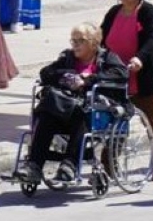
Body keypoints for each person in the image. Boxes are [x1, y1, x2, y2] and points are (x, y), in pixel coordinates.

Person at [14, 23, 128, 184]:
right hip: (63, 109)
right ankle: (34, 166)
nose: (75, 45)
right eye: (73, 40)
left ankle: (69, 165)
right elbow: (46, 73)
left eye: (80, 40)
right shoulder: (68, 57)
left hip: (91, 112)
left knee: (81, 113)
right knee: (47, 115)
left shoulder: (106, 58)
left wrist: (87, 80)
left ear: (94, 42)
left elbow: (121, 74)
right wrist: (67, 76)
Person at [99, 0, 153, 181]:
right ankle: (108, 166)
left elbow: (152, 39)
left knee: (151, 118)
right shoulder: (114, 12)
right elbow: (101, 38)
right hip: (116, 76)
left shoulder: (148, 11)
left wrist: (139, 58)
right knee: (116, 121)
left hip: (143, 75)